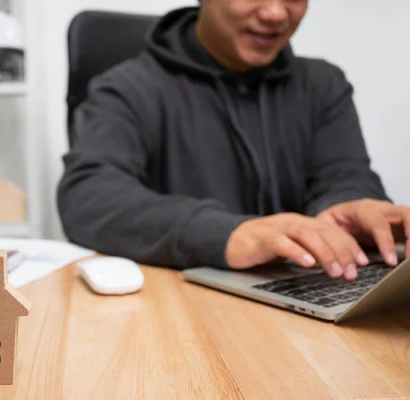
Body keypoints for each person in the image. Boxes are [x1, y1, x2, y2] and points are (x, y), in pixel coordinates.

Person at [56, 0, 410, 281]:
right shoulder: (127, 89)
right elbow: (88, 195)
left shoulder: (323, 85)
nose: (275, 13)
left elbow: (344, 174)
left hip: (308, 314)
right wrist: (226, 234)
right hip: (182, 322)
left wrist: (349, 207)